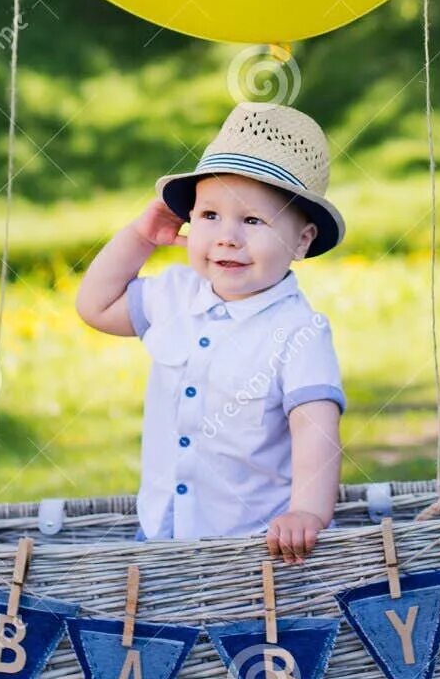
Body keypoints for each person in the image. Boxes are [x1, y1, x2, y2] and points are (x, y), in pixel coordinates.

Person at [75, 102, 346, 563]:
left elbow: (315, 432)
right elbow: (95, 307)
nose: (227, 237)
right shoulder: (176, 295)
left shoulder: (299, 330)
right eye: (209, 216)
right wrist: (140, 237)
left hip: (260, 547)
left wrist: (307, 512)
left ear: (302, 241)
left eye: (253, 221)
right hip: (163, 534)